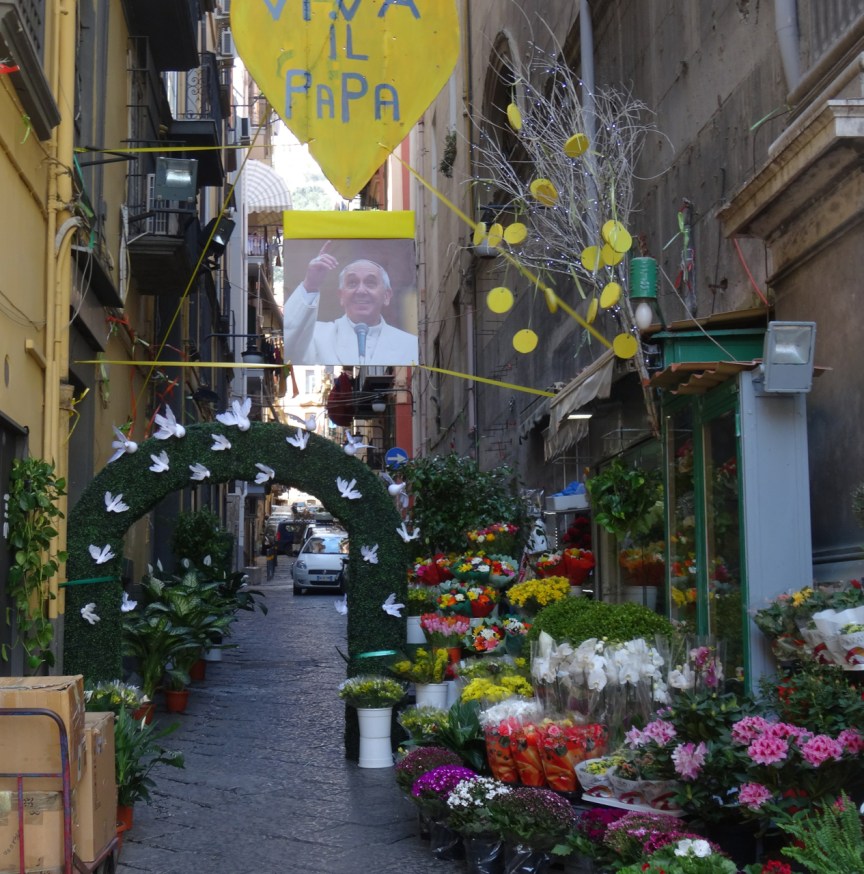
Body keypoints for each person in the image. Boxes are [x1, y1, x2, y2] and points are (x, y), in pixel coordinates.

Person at [283, 242, 419, 365]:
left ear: (387, 296)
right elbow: (290, 347)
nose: (360, 291)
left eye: (370, 283)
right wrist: (310, 284)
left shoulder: (410, 344)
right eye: (352, 283)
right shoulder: (317, 335)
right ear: (341, 296)